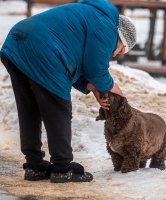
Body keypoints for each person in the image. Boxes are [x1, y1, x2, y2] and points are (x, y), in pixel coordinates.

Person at [0, 0, 136, 183]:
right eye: (120, 50)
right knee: (58, 108)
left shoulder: (91, 14)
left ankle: (34, 165)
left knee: (29, 109)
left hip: (18, 42)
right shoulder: (107, 25)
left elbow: (78, 61)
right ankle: (62, 168)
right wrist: (114, 89)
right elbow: (96, 68)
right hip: (43, 49)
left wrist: (92, 86)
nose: (115, 54)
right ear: (121, 38)